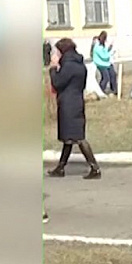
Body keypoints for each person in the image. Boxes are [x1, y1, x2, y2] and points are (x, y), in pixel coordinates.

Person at [46, 38, 101, 179]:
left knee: (78, 137)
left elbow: (58, 83)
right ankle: (61, 167)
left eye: (57, 52)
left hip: (68, 104)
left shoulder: (68, 66)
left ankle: (95, 167)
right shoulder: (79, 64)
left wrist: (53, 68)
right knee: (68, 138)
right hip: (76, 101)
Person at [91, 31, 117, 95]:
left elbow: (105, 52)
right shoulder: (97, 46)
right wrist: (111, 53)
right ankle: (100, 90)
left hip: (107, 63)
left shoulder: (103, 45)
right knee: (106, 78)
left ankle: (114, 90)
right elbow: (104, 56)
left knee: (113, 75)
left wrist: (110, 47)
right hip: (101, 64)